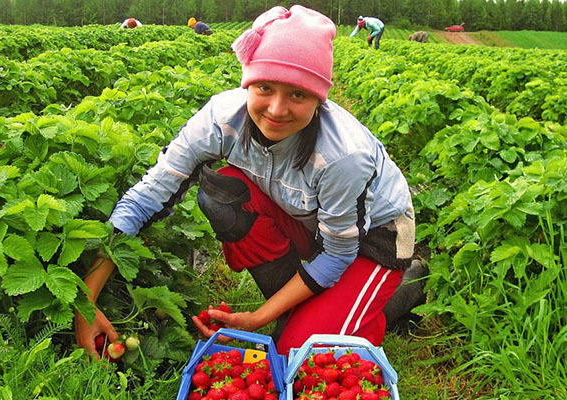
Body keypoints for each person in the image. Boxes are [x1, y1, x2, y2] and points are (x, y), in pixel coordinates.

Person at [75, 5, 426, 358]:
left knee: (299, 353)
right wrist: (86, 303)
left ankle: (401, 289)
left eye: (298, 94)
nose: (276, 109)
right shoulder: (221, 118)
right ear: (247, 83)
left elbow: (338, 254)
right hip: (312, 220)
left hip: (372, 239)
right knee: (223, 196)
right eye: (264, 87)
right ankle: (297, 311)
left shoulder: (343, 156)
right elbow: (147, 197)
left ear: (319, 98)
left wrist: (258, 317)